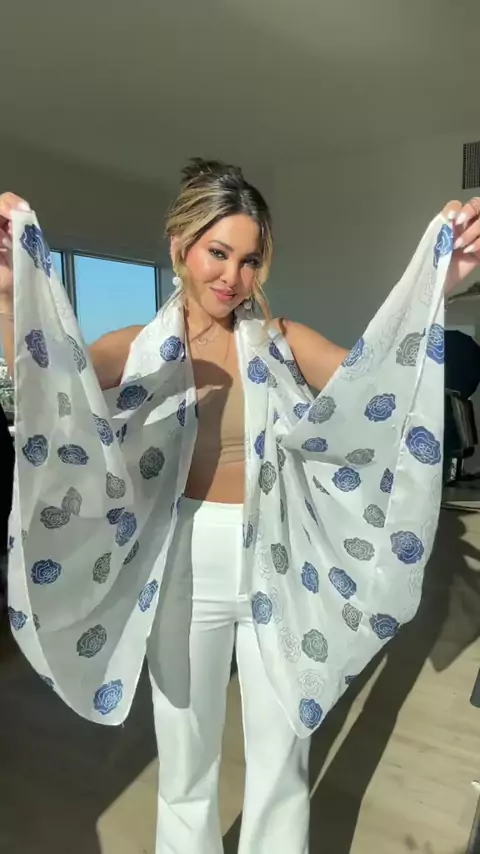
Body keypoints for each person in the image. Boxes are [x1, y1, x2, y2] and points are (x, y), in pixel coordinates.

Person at [0, 163, 479, 854]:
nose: (233, 276)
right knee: (185, 758)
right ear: (180, 247)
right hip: (182, 565)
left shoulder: (281, 342)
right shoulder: (137, 349)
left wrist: (439, 288)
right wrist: (10, 294)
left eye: (250, 260)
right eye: (218, 252)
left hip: (276, 563)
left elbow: (383, 381)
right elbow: (45, 388)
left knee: (283, 752)